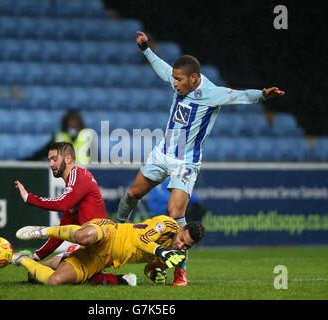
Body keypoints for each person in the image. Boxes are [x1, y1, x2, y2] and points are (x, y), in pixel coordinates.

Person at [116, 31, 286, 286]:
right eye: (174, 79)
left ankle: (180, 271)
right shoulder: (178, 81)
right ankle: (117, 230)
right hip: (162, 153)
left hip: (186, 162)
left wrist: (263, 95)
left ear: (194, 78)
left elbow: (239, 95)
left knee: (175, 213)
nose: (175, 84)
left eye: (179, 80)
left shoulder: (212, 93)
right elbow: (164, 70)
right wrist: (146, 50)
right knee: (131, 194)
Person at [15, 141, 134, 285]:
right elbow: (59, 233)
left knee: (57, 274)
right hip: (91, 248)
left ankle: (108, 277)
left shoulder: (79, 175)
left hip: (101, 246)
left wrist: (29, 198)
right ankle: (119, 279)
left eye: (54, 159)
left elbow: (62, 203)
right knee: (35, 274)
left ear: (68, 159)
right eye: (49, 160)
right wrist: (35, 257)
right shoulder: (73, 193)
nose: (51, 164)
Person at [12, 215, 206, 286]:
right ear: (181, 229)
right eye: (181, 239)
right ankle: (44, 231)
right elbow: (142, 239)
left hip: (102, 260)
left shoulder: (174, 255)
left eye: (186, 246)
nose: (180, 246)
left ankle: (22, 259)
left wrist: (155, 273)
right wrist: (161, 252)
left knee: (52, 281)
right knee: (83, 236)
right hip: (110, 233)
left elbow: (151, 265)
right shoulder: (167, 224)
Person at [24, 109, 96, 164]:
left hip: (82, 172)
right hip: (62, 173)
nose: (73, 123)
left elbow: (94, 157)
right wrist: (28, 160)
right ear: (66, 121)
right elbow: (45, 151)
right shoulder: (59, 136)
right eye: (70, 120)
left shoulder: (87, 136)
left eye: (75, 120)